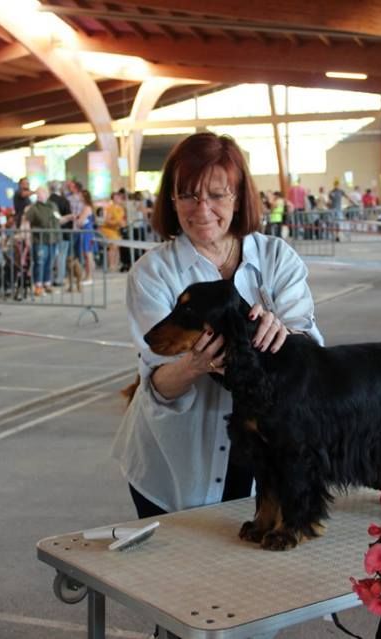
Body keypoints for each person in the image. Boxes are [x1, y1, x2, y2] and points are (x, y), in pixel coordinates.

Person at [111, 132, 323, 520]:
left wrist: (286, 335)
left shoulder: (277, 258)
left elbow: (310, 355)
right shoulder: (152, 273)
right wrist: (194, 365)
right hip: (176, 466)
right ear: (171, 200)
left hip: (267, 452)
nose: (202, 208)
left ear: (239, 197)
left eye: (217, 195)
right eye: (188, 195)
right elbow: (156, 379)